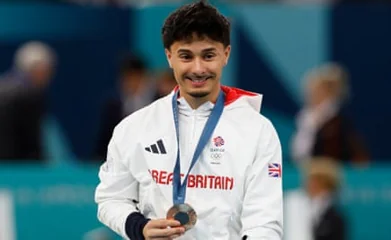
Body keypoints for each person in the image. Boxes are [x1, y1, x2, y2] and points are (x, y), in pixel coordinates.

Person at [95, 1, 283, 240]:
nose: (198, 68)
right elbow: (111, 198)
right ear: (169, 56)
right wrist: (138, 227)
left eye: (208, 55)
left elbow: (265, 224)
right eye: (186, 56)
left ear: (226, 54)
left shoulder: (257, 131)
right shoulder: (135, 127)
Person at [291, 63, 369, 166]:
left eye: (317, 90)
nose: (312, 94)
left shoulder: (338, 121)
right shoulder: (306, 119)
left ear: (328, 92)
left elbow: (356, 156)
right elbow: (299, 153)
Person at [0, 41, 56, 161]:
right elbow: (32, 143)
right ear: (38, 69)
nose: (49, 76)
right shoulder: (30, 96)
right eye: (48, 70)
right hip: (19, 169)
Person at [95, 54, 155, 160]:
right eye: (127, 77)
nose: (131, 82)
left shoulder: (157, 101)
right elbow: (105, 140)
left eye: (134, 77)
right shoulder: (113, 106)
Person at [284, 157, 347, 240]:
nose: (311, 184)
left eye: (317, 180)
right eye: (311, 179)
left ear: (327, 184)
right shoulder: (293, 202)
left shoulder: (335, 218)